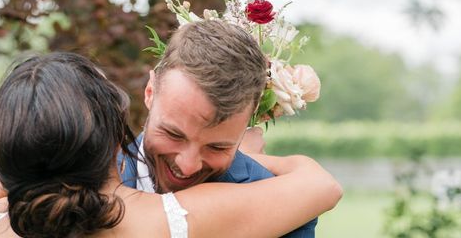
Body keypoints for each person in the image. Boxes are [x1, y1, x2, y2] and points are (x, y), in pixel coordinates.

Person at [0, 52, 342, 238]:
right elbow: (319, 186)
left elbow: (12, 179)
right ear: (115, 138)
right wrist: (241, 153)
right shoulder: (171, 219)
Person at [121, 19, 319, 237]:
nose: (187, 166)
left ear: (249, 120)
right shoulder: (88, 180)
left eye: (216, 147)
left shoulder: (287, 213)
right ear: (150, 92)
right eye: (173, 134)